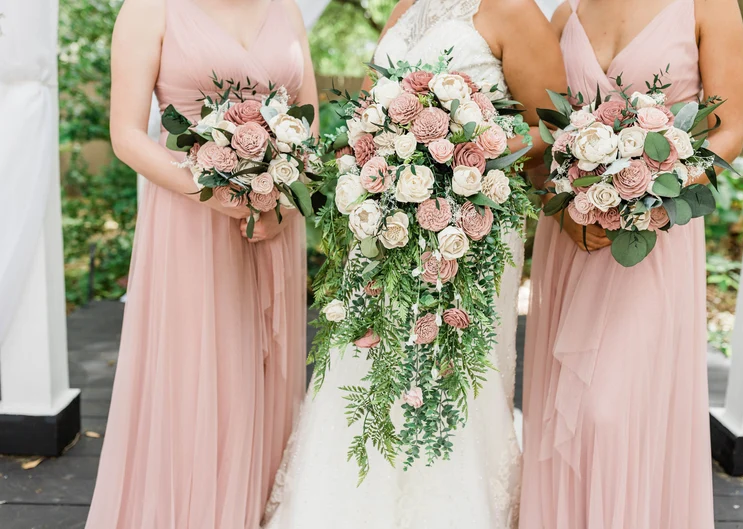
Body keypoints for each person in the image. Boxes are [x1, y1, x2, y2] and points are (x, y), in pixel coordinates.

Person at [262, 1, 566, 528]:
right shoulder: (406, 7)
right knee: (364, 365)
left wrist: (464, 153)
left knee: (450, 372)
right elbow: (367, 112)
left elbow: (555, 126)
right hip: (383, 224)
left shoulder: (513, 10)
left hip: (470, 232)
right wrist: (371, 154)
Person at [84, 0, 317, 527]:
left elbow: (309, 124)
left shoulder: (287, 9)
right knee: (200, 371)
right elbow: (126, 136)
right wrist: (215, 193)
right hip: (191, 219)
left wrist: (281, 205)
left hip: (274, 220)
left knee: (266, 365)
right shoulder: (149, 10)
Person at [520, 0, 743, 527]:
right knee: (564, 415)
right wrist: (561, 205)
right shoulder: (566, 12)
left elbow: (730, 130)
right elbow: (542, 140)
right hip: (574, 237)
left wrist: (651, 199)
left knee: (609, 412)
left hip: (654, 242)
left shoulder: (710, 8)